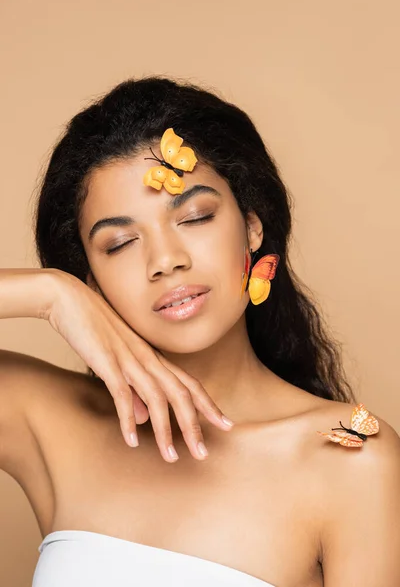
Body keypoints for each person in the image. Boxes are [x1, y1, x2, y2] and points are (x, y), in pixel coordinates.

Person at [0, 76, 399, 587]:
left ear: (252, 226)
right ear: (91, 280)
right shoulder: (48, 422)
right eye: (120, 243)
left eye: (195, 216)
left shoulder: (349, 457)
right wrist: (49, 295)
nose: (166, 260)